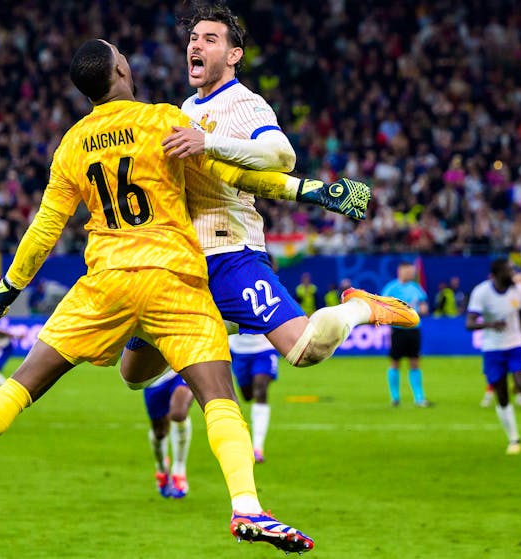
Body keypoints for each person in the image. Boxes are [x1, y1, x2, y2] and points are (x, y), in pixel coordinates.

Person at [0, 38, 345, 553]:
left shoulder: (73, 145)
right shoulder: (163, 119)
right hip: (173, 278)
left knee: (22, 384)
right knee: (217, 396)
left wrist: (2, 295)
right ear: (122, 69)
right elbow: (231, 172)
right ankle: (247, 508)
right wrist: (313, 191)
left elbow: (44, 230)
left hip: (106, 282)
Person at [121, 1, 418, 423]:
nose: (196, 45)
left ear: (233, 55)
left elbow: (282, 153)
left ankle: (360, 307)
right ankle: (209, 329)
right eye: (192, 38)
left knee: (304, 351)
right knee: (133, 375)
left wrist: (209, 144)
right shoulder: (186, 109)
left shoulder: (244, 104)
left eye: (210, 39)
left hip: (230, 254)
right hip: (181, 259)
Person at [465, 258, 521, 455]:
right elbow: (469, 323)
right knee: (502, 395)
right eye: (508, 270)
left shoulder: (519, 290)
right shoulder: (482, 292)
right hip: (493, 348)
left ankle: (517, 376)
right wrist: (490, 325)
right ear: (496, 274)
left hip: (516, 345)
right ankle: (514, 438)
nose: (512, 273)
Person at [380, 262, 431, 407]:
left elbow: (423, 305)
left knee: (415, 362)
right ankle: (395, 398)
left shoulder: (416, 288)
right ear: (400, 271)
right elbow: (383, 307)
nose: (411, 274)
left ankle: (419, 398)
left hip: (414, 329)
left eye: (412, 271)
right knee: (395, 362)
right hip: (398, 330)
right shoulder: (391, 288)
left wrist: (423, 309)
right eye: (408, 271)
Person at [142, 367, 194, 498]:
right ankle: (161, 468)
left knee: (179, 413)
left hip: (181, 368)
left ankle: (179, 470)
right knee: (159, 432)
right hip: (153, 378)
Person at [229, 333, 279, 463]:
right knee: (247, 395)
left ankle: (257, 448)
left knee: (260, 390)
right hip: (238, 349)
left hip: (264, 348)